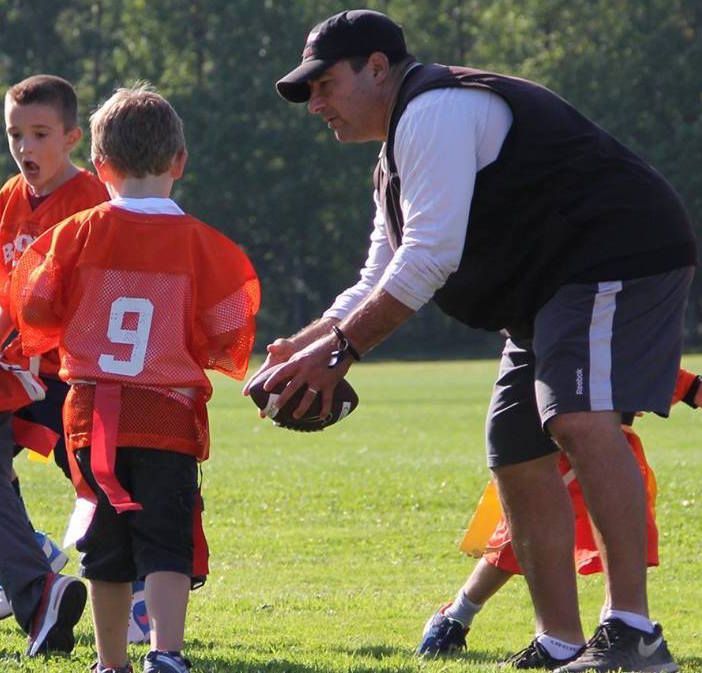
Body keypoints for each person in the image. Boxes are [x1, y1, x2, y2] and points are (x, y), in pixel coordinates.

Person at [248, 9, 696, 673]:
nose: (315, 103)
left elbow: (430, 259)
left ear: (377, 67)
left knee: (575, 416)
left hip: (614, 253)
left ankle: (632, 632)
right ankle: (561, 640)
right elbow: (379, 273)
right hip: (550, 289)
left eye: (323, 84)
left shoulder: (435, 112)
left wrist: (339, 351)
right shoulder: (396, 155)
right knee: (516, 445)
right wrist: (307, 344)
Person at [10, 83, 260, 673]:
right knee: (166, 540)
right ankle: (166, 653)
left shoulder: (72, 235)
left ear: (100, 165)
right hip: (167, 413)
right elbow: (230, 320)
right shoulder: (203, 244)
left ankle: (111, 660)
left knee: (104, 545)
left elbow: (33, 302)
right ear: (179, 161)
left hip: (89, 414)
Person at [418, 368, 702, 666]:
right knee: (521, 541)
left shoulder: (630, 339)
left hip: (611, 454)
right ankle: (456, 615)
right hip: (558, 451)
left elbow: (676, 379)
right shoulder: (571, 331)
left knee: (626, 541)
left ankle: (620, 629)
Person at [0, 73, 110, 656]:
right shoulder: (7, 200)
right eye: (15, 133)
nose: (24, 147)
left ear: (71, 137)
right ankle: (29, 569)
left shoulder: (92, 203)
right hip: (14, 372)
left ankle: (144, 586)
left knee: (106, 485)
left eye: (39, 133)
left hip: (69, 375)